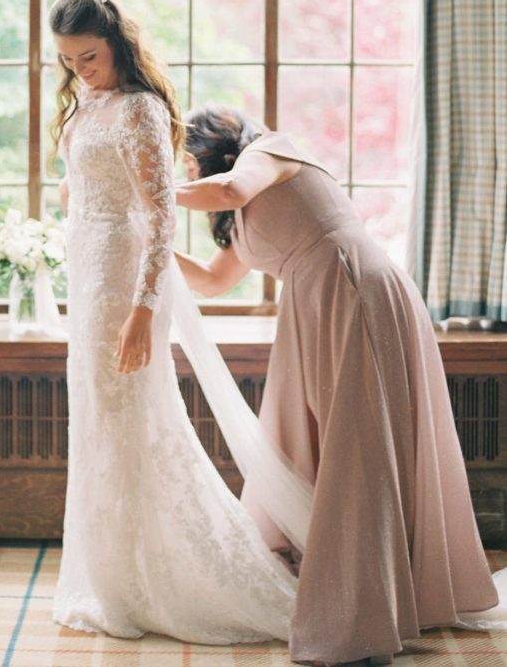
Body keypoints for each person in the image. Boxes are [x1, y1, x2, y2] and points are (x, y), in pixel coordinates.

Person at [174, 103, 501, 665]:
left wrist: (141, 192)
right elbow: (210, 282)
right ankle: (345, 585)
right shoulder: (242, 215)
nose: (185, 173)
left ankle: (361, 615)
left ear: (213, 144)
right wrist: (145, 241)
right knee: (313, 446)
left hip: (354, 288)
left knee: (358, 447)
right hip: (315, 307)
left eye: (186, 160)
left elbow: (227, 190)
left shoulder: (269, 151)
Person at [47, 0, 298, 645]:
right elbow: (91, 185)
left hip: (130, 288)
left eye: (90, 57)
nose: (81, 71)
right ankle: (112, 579)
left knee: (134, 423)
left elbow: (160, 221)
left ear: (118, 45)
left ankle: (169, 581)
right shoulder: (89, 103)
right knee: (100, 427)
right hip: (89, 278)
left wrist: (142, 311)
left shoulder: (142, 108)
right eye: (69, 61)